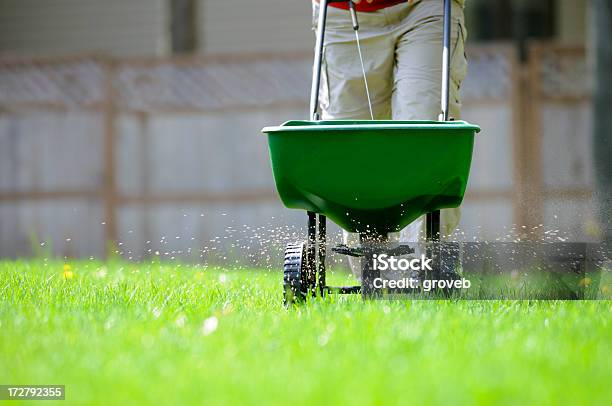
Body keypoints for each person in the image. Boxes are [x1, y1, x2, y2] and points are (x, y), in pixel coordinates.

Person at [312, 0, 467, 276]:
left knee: (424, 127)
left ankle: (424, 269)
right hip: (344, 13)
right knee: (352, 148)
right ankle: (373, 275)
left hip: (425, 9)